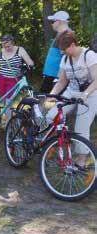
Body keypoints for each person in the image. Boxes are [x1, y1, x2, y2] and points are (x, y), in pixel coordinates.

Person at [46, 31, 97, 164]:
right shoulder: (65, 59)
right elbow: (62, 81)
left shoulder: (89, 55)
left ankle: (81, 160)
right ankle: (54, 145)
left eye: (64, 49)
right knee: (52, 116)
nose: (62, 52)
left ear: (73, 44)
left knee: (81, 128)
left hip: (90, 93)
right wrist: (52, 95)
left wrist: (85, 94)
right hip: (72, 91)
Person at [0, 34, 34, 118]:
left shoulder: (20, 50)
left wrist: (28, 67)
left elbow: (30, 62)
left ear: (12, 42)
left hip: (14, 80)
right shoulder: (0, 53)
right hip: (1, 79)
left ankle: (11, 122)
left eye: (8, 45)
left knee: (9, 100)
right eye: (4, 45)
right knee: (5, 102)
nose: (6, 47)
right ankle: (9, 122)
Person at [41, 11, 72, 94]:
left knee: (43, 99)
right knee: (42, 99)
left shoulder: (66, 35)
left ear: (59, 21)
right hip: (51, 74)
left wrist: (59, 77)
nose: (52, 24)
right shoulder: (61, 34)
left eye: (53, 21)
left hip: (56, 76)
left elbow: (67, 57)